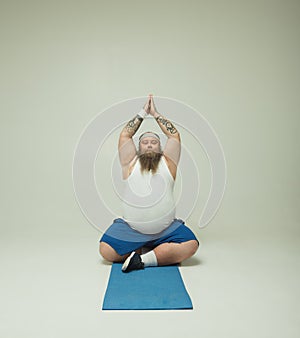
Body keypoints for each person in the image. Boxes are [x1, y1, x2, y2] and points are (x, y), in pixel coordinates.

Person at [99, 94, 199, 272]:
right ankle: (152, 251)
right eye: (145, 142)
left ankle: (142, 259)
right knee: (105, 250)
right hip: (131, 229)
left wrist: (156, 113)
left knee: (191, 245)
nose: (150, 145)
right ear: (139, 148)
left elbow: (174, 135)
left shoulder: (168, 163)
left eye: (154, 142)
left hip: (166, 229)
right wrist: (143, 113)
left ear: (160, 148)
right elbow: (125, 135)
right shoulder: (130, 163)